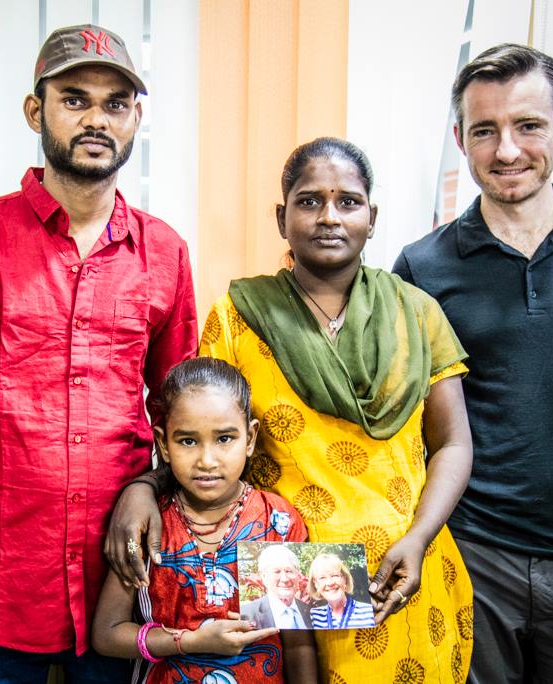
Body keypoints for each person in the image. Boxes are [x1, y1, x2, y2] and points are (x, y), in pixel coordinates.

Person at [109, 137, 475, 682]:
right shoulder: (238, 315)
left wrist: (418, 538)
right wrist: (142, 487)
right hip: (281, 571)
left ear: (372, 218)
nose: (329, 216)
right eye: (309, 202)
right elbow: (201, 429)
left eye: (348, 202)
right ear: (282, 218)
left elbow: (454, 442)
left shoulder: (417, 313)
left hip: (402, 572)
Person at [0, 23, 197, 682]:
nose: (96, 118)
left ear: (136, 119)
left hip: (121, 584)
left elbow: (183, 419)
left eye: (115, 103)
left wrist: (151, 486)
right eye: (75, 99)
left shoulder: (165, 253)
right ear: (36, 110)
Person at [393, 43, 553, 682]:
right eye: (484, 131)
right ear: (461, 138)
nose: (506, 151)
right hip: (470, 554)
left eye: (528, 126)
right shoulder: (422, 266)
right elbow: (401, 419)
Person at [92, 358, 318, 683]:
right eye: (187, 441)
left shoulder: (277, 522)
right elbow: (108, 634)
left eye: (225, 438)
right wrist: (191, 641)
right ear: (163, 444)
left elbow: (298, 644)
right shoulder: (148, 524)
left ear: (251, 438)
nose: (207, 460)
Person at [241, 545, 313, 630]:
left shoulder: (311, 612)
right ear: (263, 576)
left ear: (297, 574)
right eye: (276, 572)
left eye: (289, 571)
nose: (285, 579)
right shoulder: (246, 614)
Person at [307, 554, 375, 630]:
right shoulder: (314, 615)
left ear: (345, 579)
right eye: (322, 578)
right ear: (315, 583)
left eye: (335, 575)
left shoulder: (368, 611)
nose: (330, 583)